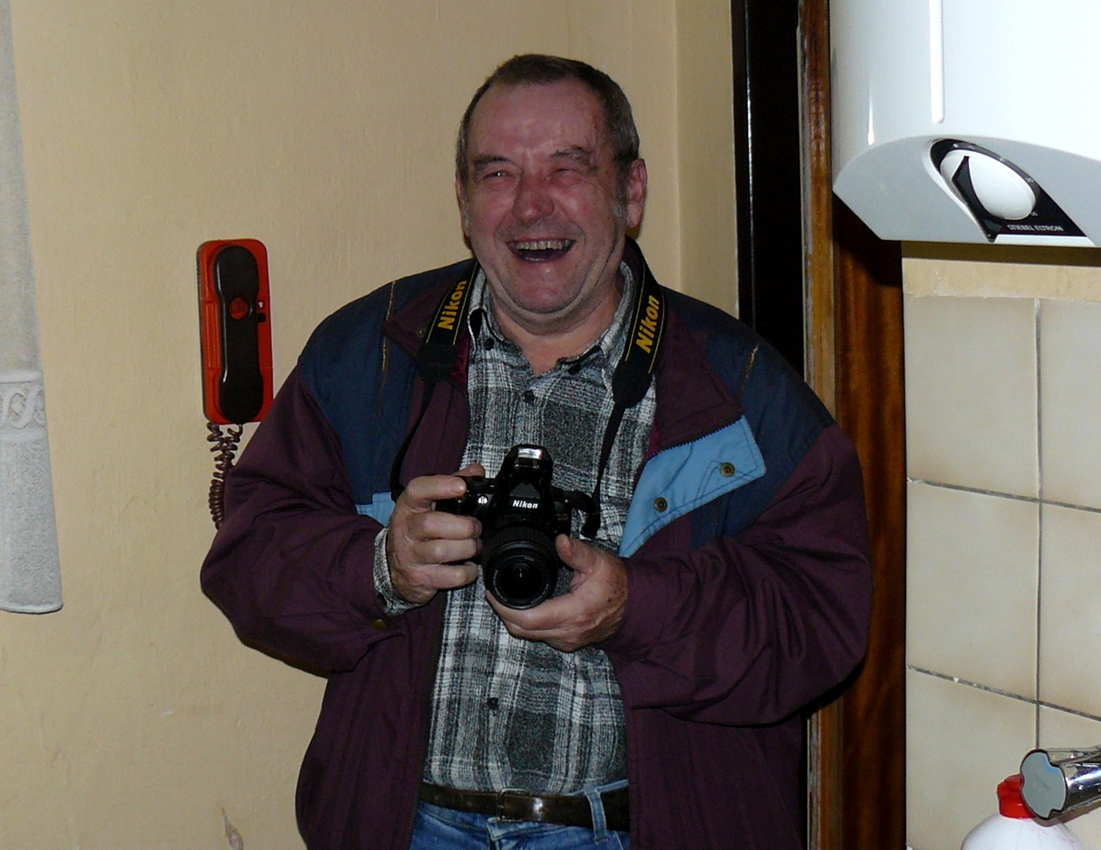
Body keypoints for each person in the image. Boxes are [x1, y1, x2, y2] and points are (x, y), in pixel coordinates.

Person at [201, 54, 873, 850]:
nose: (530, 205)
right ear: (463, 202)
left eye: (567, 167)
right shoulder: (368, 355)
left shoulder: (740, 386)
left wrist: (636, 607)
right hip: (404, 824)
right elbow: (249, 558)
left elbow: (820, 624)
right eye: (497, 173)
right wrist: (381, 567)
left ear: (630, 191)